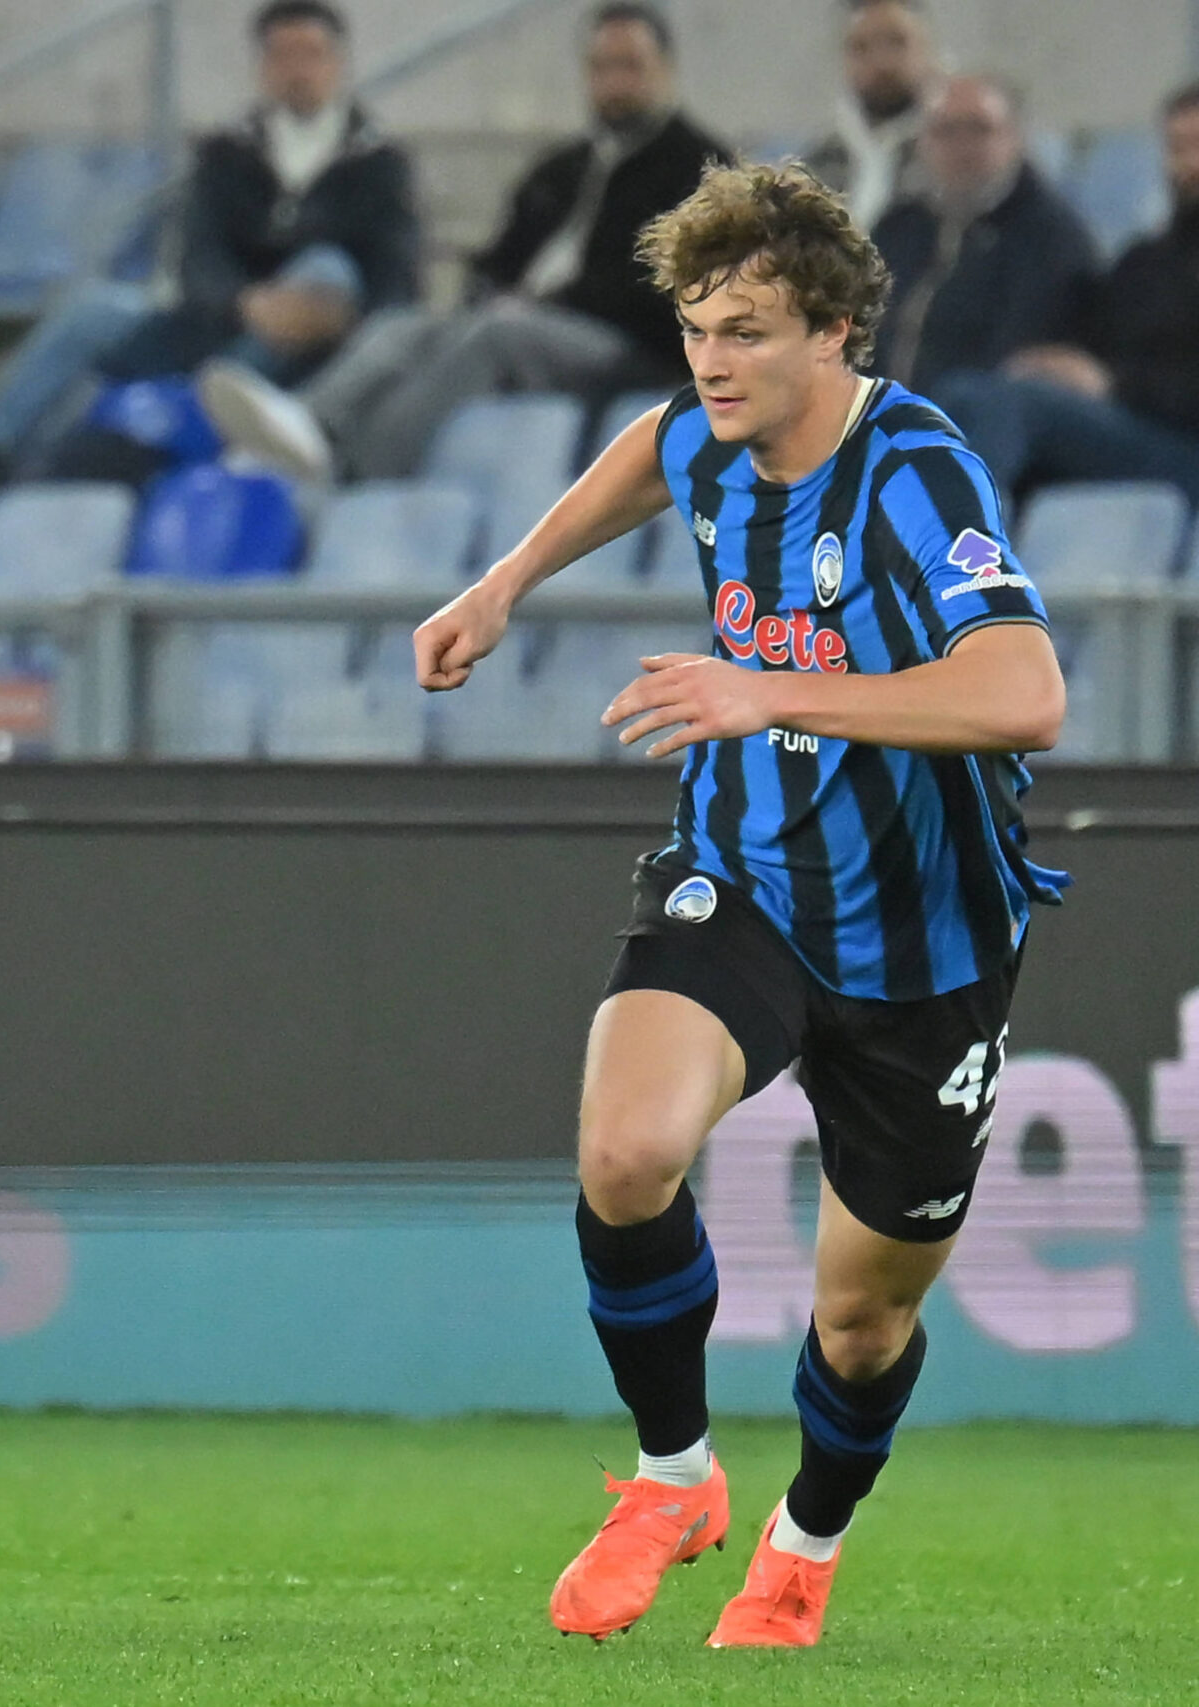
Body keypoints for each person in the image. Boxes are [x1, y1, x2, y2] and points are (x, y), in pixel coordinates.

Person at [415, 163, 1066, 1648]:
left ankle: (806, 1542)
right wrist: (506, 579)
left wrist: (765, 686)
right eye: (700, 326)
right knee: (627, 1146)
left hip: (928, 936)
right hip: (751, 870)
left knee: (862, 1317)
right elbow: (647, 452)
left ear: (837, 333)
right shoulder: (705, 434)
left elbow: (1029, 694)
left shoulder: (915, 468)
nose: (715, 359)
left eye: (753, 330)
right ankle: (672, 1477)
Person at [200, 2, 727, 484]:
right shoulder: (561, 170)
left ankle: (359, 468)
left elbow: (675, 292)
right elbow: (503, 256)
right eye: (601, 68)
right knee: (407, 325)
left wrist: (544, 304)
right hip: (528, 319)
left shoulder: (699, 169)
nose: (614, 82)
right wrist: (488, 285)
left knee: (496, 333)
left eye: (630, 66)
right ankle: (307, 420)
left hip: (628, 348)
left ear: (666, 70)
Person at [0, 0, 418, 486]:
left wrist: (335, 315)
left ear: (338, 64)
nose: (297, 70)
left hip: (320, 342)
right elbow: (197, 253)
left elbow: (397, 277)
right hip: (220, 324)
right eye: (283, 55)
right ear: (261, 66)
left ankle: (235, 418)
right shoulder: (225, 153)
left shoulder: (380, 163)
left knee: (327, 267)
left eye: (312, 55)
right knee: (98, 309)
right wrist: (246, 303)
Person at [930, 83, 1199, 507]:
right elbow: (1096, 344)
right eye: (1177, 147)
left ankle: (968, 557)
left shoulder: (1055, 234)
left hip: (1181, 446)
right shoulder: (1144, 260)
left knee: (1010, 408)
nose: (1187, 164)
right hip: (1123, 425)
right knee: (960, 396)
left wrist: (1115, 383)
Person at [868, 76, 1101, 392]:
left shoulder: (1051, 238)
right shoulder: (899, 227)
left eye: (980, 129)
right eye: (945, 131)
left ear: (1015, 139)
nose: (962, 147)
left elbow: (1015, 357)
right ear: (922, 142)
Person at [800, 0, 939, 227]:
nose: (882, 62)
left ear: (928, 49)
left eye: (897, 42)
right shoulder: (816, 169)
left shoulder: (959, 156)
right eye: (861, 47)